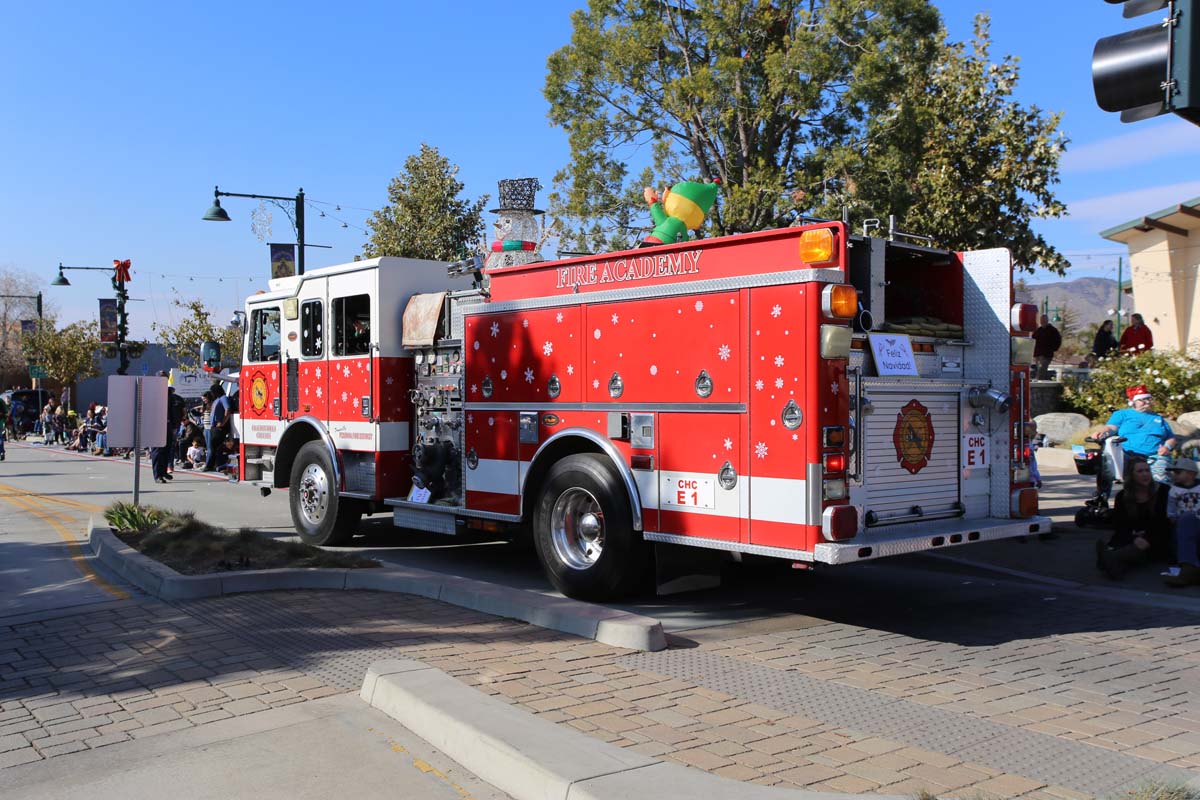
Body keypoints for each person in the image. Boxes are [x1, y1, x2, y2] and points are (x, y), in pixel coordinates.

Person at [1096, 384, 1177, 497]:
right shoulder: (1122, 414)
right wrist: (1102, 433)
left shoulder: (1158, 418)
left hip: (1155, 456)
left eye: (1149, 399)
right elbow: (1111, 428)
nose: (1147, 402)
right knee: (1106, 468)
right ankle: (1101, 500)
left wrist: (1167, 447)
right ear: (1133, 402)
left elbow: (1171, 438)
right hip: (1128, 455)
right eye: (1143, 400)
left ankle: (1160, 506)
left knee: (1161, 482)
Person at [1096, 460, 1171, 580]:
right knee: (1124, 543)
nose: (1145, 474)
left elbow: (1164, 522)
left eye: (1147, 470)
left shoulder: (1163, 491)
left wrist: (1147, 537)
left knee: (1145, 547)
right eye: (1140, 471)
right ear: (1131, 475)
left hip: (1157, 536)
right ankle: (1114, 564)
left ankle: (1111, 559)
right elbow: (1120, 524)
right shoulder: (1122, 496)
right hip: (1132, 535)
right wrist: (1134, 537)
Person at [1166, 459, 1200, 586]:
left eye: (1178, 472)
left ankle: (1191, 570)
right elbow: (1171, 509)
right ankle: (1188, 568)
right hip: (1183, 528)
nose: (1174, 475)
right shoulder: (1173, 490)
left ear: (1191, 474)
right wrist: (1172, 517)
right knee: (1187, 518)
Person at [1032, 314, 1062, 379]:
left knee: (1042, 368)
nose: (1042, 321)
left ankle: (1039, 381)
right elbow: (1033, 341)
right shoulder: (1038, 331)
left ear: (1047, 320)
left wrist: (1053, 349)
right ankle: (1039, 380)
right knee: (1038, 368)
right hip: (1038, 354)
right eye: (1041, 320)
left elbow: (1058, 340)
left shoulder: (1053, 330)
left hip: (1047, 354)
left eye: (1044, 320)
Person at [0, 392, 7, 461]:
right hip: (1, 421)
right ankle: (2, 452)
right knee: (0, 437)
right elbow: (6, 412)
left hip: (1, 421)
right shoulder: (1, 401)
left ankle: (2, 452)